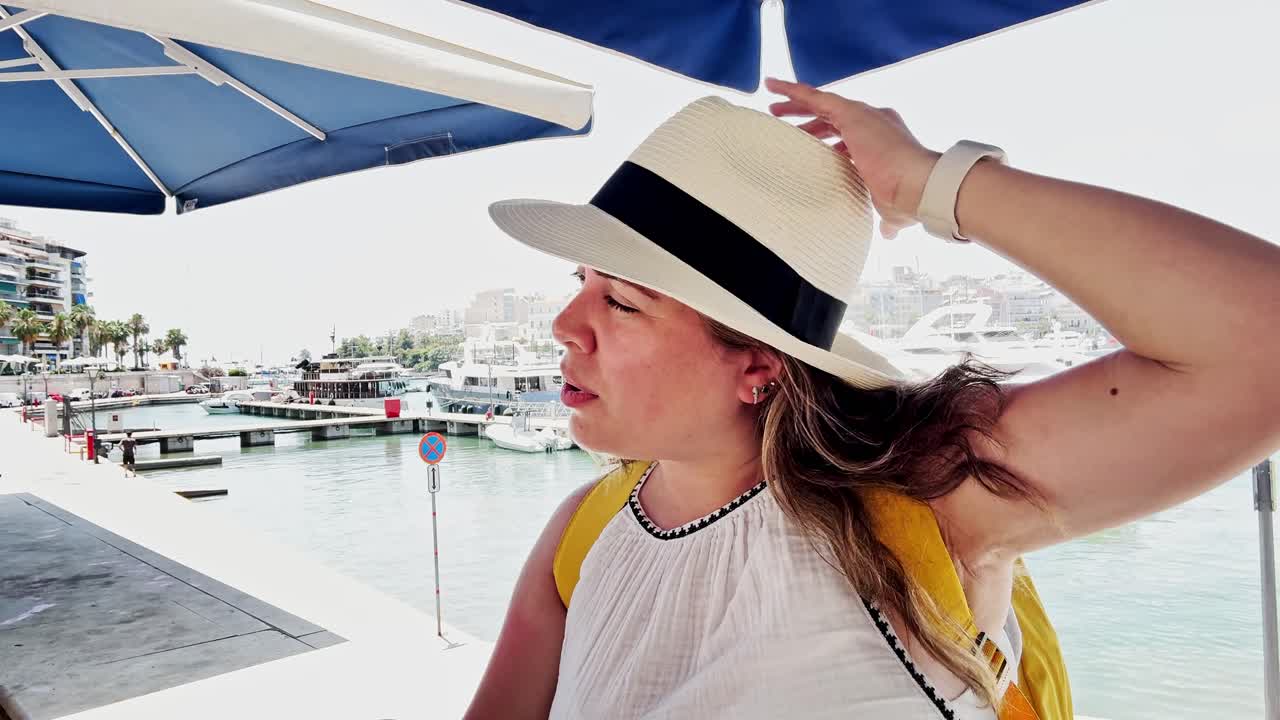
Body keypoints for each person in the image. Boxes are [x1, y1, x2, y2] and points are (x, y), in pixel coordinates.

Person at [464, 81, 1280, 720]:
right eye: (582, 283)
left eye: (624, 301)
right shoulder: (583, 532)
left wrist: (937, 184)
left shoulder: (928, 502)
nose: (566, 324)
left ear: (760, 365)